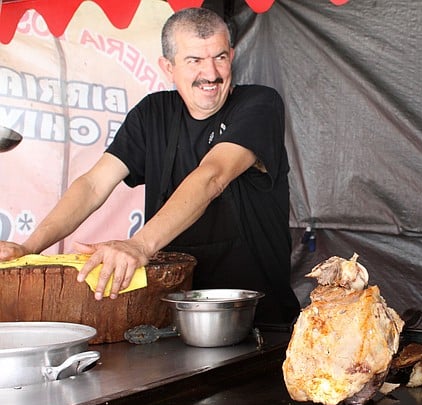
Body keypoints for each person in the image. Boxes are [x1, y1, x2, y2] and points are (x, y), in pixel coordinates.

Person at [0, 7, 301, 326]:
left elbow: (213, 176)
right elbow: (93, 185)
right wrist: (28, 248)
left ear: (232, 55)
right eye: (194, 61)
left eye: (220, 57)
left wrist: (139, 245)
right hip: (173, 317)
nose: (210, 73)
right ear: (168, 67)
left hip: (257, 320)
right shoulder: (152, 115)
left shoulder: (260, 105)